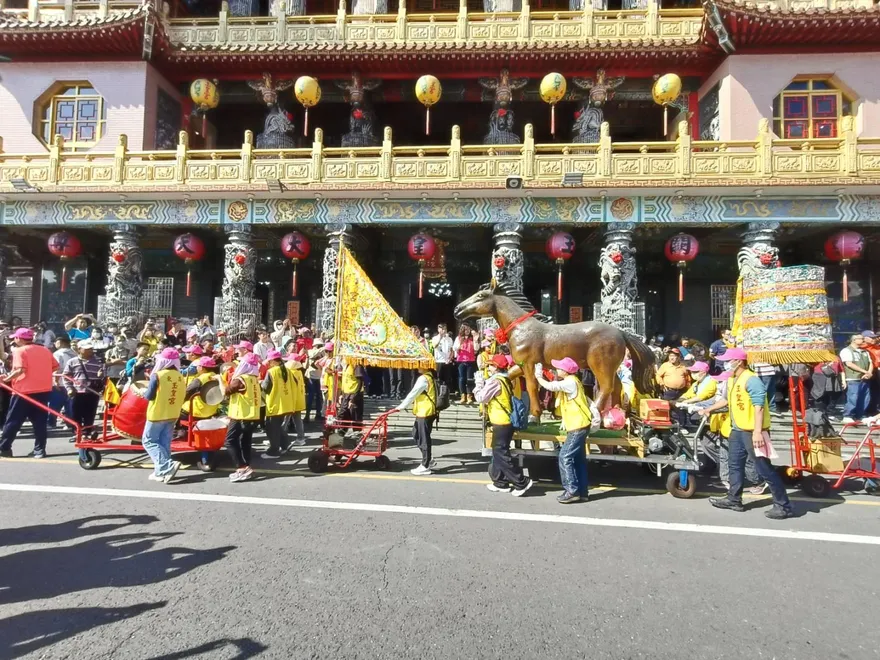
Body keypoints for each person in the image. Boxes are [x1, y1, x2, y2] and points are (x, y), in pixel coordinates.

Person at [699, 348, 793, 520]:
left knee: (764, 468)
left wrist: (757, 432)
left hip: (752, 431)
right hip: (737, 429)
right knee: (734, 465)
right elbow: (726, 400)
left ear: (739, 361)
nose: (725, 363)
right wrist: (708, 409)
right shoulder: (733, 379)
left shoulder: (752, 379)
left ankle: (783, 505)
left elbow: (759, 406)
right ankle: (734, 499)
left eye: (728, 360)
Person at [473, 353, 533, 496]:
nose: (489, 367)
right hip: (504, 421)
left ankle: (521, 481)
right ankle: (500, 482)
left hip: (501, 422)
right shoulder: (504, 379)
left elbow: (481, 397)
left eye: (491, 365)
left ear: (496, 367)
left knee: (501, 453)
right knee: (498, 451)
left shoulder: (495, 382)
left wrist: (478, 384)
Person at [535, 358, 593, 503]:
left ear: (565, 371)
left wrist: (538, 376)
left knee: (565, 456)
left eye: (558, 368)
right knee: (578, 460)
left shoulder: (570, 382)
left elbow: (551, 386)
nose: (556, 370)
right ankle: (582, 492)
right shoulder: (573, 381)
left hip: (577, 426)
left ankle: (572, 491)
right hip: (579, 424)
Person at [0, 328, 58, 458]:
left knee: (13, 421)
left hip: (23, 391)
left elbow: (20, 370)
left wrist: (6, 379)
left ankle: (4, 448)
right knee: (40, 422)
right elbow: (55, 366)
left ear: (19, 339)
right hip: (43, 390)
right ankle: (39, 450)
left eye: (15, 338)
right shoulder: (45, 350)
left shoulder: (20, 351)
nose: (14, 340)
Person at [141, 347, 185, 484]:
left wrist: (143, 391)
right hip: (173, 413)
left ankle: (167, 466)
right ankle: (161, 471)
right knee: (164, 442)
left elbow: (149, 396)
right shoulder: (180, 376)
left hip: (157, 413)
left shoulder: (158, 375)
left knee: (149, 441)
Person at [219, 352, 262, 482]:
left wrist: (219, 379)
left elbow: (225, 393)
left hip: (240, 415)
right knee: (245, 441)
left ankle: (242, 467)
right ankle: (247, 465)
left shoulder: (241, 379)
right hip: (253, 415)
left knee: (230, 441)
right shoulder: (254, 378)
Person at [392, 365, 439, 476]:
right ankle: (428, 459)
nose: (418, 366)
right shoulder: (430, 376)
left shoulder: (424, 379)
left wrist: (401, 406)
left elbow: (413, 393)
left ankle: (425, 465)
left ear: (427, 367)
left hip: (425, 411)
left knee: (423, 438)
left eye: (421, 364)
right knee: (416, 434)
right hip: (426, 411)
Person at [62, 339, 106, 439]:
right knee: (75, 414)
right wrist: (69, 388)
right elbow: (66, 376)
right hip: (77, 392)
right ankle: (77, 432)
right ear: (79, 349)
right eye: (87, 349)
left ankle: (86, 433)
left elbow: (104, 378)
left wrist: (101, 376)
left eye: (91, 349)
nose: (90, 351)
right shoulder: (72, 362)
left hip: (92, 392)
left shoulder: (98, 361)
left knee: (90, 414)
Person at [260, 350, 296, 458]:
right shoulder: (288, 370)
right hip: (286, 403)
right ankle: (285, 445)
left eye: (269, 362)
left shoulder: (272, 371)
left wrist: (260, 384)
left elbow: (265, 387)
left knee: (272, 427)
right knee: (278, 426)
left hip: (275, 403)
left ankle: (274, 450)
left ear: (272, 361)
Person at [674, 361, 717, 432]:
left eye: (695, 372)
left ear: (703, 372)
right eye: (692, 371)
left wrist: (685, 402)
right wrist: (680, 399)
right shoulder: (696, 383)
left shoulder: (712, 381)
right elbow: (688, 394)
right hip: (698, 409)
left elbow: (701, 396)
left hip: (709, 411)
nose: (692, 374)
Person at [840, 333, 873, 424]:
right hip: (853, 378)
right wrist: (864, 371)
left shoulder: (865, 351)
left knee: (865, 397)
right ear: (854, 340)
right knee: (853, 396)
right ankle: (848, 415)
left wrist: (869, 372)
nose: (863, 340)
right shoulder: (846, 351)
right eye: (861, 338)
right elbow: (849, 363)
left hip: (865, 378)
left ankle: (861, 414)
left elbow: (870, 363)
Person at [181, 356, 221, 424]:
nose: (197, 368)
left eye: (197, 366)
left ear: (201, 368)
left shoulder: (200, 379)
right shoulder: (218, 377)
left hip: (196, 412)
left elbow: (186, 393)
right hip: (212, 411)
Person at [284, 354, 307, 446]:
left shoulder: (290, 372)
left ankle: (277, 439)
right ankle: (301, 438)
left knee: (284, 420)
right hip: (299, 400)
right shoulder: (299, 372)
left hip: (291, 400)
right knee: (298, 420)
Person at [453, 324, 477, 404]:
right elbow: (454, 348)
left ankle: (469, 396)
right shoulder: (458, 338)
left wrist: (475, 339)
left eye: (469, 329)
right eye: (466, 329)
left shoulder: (472, 338)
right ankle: (463, 395)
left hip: (470, 360)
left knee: (469, 378)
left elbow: (476, 349)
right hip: (461, 360)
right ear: (463, 330)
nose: (468, 331)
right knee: (461, 378)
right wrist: (460, 344)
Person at [338, 358, 366, 424]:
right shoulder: (347, 365)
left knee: (355, 414)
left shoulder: (357, 365)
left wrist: (353, 399)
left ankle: (357, 431)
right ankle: (341, 431)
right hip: (346, 393)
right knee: (343, 413)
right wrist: (341, 394)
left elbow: (360, 382)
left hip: (354, 394)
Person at [305, 338, 325, 423]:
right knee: (311, 395)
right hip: (311, 376)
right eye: (319, 345)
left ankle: (318, 414)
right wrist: (321, 349)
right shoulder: (310, 351)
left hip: (319, 376)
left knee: (319, 396)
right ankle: (307, 415)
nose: (320, 347)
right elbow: (312, 355)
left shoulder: (323, 353)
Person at [432, 323, 455, 394]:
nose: (444, 330)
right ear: (438, 329)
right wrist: (440, 338)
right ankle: (438, 394)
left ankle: (446, 395)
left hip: (447, 361)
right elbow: (435, 346)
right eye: (442, 329)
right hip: (439, 361)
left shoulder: (449, 339)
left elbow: (452, 350)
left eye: (445, 329)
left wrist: (450, 358)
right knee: (438, 379)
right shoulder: (435, 338)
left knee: (447, 379)